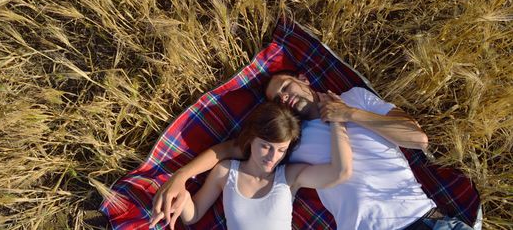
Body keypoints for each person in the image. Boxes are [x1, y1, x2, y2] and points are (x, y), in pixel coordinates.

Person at [152, 73, 473, 230]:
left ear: (303, 79)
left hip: (420, 219)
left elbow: (417, 139)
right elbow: (230, 150)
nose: (284, 98)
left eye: (286, 86)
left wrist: (347, 115)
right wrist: (181, 176)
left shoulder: (356, 97)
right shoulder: (289, 139)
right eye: (276, 99)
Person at [150, 100, 352, 229]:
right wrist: (182, 196)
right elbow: (192, 216)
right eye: (266, 146)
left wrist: (337, 121)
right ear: (251, 138)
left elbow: (340, 172)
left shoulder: (290, 176)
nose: (273, 157)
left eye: (281, 150)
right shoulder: (226, 171)